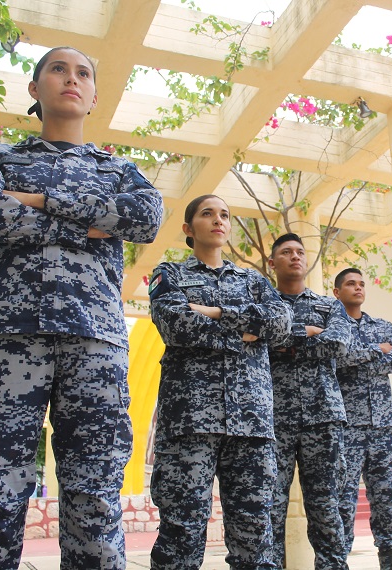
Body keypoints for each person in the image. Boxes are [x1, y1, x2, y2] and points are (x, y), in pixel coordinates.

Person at [0, 46, 163, 569]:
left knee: (94, 498)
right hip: (7, 341)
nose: (71, 79)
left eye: (84, 73)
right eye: (57, 69)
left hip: (95, 342)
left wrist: (39, 199)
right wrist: (90, 223)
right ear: (35, 90)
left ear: (93, 97)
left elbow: (143, 218)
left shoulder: (120, 171)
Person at [147, 194, 292, 569]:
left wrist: (213, 312)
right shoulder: (171, 274)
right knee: (182, 530)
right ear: (188, 229)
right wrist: (245, 332)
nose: (219, 220)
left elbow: (280, 326)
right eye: (207, 214)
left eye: (225, 215)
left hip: (252, 422)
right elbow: (176, 324)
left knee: (256, 532)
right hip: (190, 419)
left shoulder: (253, 280)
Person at [267, 233, 351, 569]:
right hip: (273, 420)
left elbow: (339, 346)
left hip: (323, 418)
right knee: (268, 509)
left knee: (326, 509)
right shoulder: (264, 306)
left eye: (300, 252)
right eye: (286, 252)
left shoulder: (329, 306)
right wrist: (310, 333)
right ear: (272, 263)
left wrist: (284, 342)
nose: (295, 257)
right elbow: (258, 341)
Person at [333, 268, 392, 570]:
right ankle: (339, 561)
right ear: (337, 292)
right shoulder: (333, 327)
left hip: (383, 430)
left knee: (387, 501)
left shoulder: (383, 325)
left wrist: (359, 354)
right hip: (346, 430)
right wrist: (376, 350)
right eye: (351, 284)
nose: (358, 288)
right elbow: (336, 357)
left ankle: (390, 561)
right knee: (342, 504)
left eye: (362, 283)